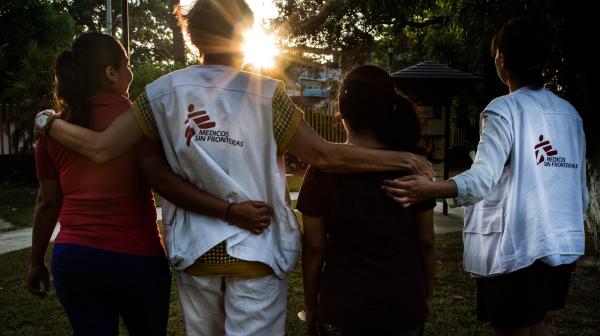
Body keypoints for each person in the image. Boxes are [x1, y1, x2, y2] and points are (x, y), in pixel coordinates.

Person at [34, 1, 434, 334]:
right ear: (245, 33)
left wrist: (47, 122)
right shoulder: (267, 94)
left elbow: (102, 149)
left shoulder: (161, 94)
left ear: (193, 37)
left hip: (196, 254)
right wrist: (403, 158)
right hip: (257, 251)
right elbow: (325, 155)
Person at [26, 32, 271, 336]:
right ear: (111, 73)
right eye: (126, 65)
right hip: (136, 258)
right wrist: (229, 209)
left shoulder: (53, 130)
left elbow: (48, 202)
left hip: (75, 259)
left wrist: (36, 261)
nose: (131, 73)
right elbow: (163, 179)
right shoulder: (139, 121)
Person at [383, 17, 588, 336]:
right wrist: (575, 240)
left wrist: (430, 189)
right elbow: (577, 185)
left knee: (513, 327)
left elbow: (482, 178)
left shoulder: (503, 110)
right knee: (535, 323)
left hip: (516, 247)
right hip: (557, 243)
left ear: (502, 61)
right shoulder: (570, 114)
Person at [297, 65, 436, 336]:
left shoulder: (321, 170)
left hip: (342, 308)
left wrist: (311, 305)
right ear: (388, 109)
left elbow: (314, 248)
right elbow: (426, 242)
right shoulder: (412, 167)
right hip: (403, 303)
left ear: (342, 113)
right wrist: (426, 296)